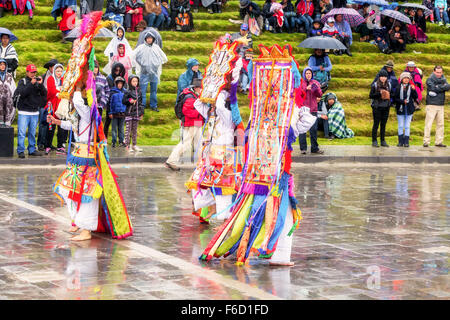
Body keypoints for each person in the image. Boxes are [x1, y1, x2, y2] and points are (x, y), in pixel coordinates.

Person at [48, 86, 133, 241]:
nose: (72, 98)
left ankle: (86, 229)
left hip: (88, 159)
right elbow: (74, 127)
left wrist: (79, 86)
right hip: (77, 158)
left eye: (75, 95)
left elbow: (79, 103)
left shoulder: (88, 112)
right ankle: (77, 221)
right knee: (68, 190)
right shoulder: (80, 115)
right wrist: (58, 122)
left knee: (87, 194)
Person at [165, 78, 204, 170]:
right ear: (196, 88)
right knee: (186, 143)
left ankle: (202, 162)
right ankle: (171, 161)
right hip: (192, 122)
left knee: (199, 143)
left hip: (196, 122)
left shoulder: (193, 95)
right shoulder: (191, 97)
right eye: (201, 88)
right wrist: (202, 112)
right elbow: (187, 112)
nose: (202, 90)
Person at [14, 64, 47, 158]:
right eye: (31, 72)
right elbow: (22, 94)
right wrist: (31, 84)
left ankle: (32, 149)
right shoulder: (22, 81)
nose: (33, 74)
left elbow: (44, 94)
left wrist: (40, 85)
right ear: (27, 72)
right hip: (23, 112)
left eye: (34, 72)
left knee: (32, 133)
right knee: (21, 133)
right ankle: (20, 150)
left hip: (34, 112)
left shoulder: (37, 82)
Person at [134, 31, 168, 112]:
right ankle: (142, 106)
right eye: (148, 38)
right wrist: (143, 64)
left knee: (153, 90)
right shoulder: (141, 47)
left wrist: (156, 65)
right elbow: (136, 56)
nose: (149, 40)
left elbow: (162, 57)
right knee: (143, 90)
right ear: (145, 39)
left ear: (153, 39)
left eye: (151, 38)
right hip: (144, 72)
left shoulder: (156, 47)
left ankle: (154, 105)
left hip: (154, 73)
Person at [296, 67, 323, 154]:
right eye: (307, 73)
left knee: (314, 129)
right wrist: (305, 89)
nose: (308, 75)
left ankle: (314, 148)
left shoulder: (315, 82)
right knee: (302, 129)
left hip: (313, 109)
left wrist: (316, 90)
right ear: (304, 74)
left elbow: (320, 94)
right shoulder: (300, 83)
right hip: (304, 109)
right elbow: (297, 94)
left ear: (312, 74)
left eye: (310, 73)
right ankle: (303, 148)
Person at [423, 66, 450, 147]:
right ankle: (426, 141)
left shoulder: (444, 79)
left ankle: (439, 142)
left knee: (440, 124)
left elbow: (448, 87)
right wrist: (442, 87)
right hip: (431, 104)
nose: (439, 74)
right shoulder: (429, 79)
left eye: (440, 72)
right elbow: (433, 88)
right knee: (429, 124)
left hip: (441, 104)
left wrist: (438, 87)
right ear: (434, 72)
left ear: (442, 72)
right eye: (437, 72)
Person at [44, 64, 67, 155]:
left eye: (61, 71)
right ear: (54, 71)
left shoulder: (63, 79)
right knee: (51, 126)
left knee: (61, 126)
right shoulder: (50, 79)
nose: (59, 73)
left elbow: (66, 90)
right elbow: (52, 91)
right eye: (57, 71)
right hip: (52, 106)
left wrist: (61, 91)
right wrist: (60, 91)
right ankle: (48, 145)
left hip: (61, 106)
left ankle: (60, 146)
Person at [394, 72, 418, 148]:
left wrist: (414, 90)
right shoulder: (398, 87)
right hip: (400, 109)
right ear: (401, 79)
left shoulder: (411, 87)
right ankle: (400, 142)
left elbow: (415, 97)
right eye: (405, 78)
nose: (406, 79)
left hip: (409, 109)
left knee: (407, 126)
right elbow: (395, 99)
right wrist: (402, 101)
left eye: (408, 78)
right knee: (400, 126)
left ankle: (406, 142)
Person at [369, 69, 391, 148]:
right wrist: (379, 94)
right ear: (379, 77)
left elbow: (391, 94)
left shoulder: (389, 85)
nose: (383, 78)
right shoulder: (375, 85)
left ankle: (383, 140)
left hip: (386, 107)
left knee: (383, 124)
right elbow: (370, 96)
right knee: (376, 124)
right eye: (382, 76)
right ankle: (374, 140)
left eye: (385, 77)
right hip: (377, 107)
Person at [122, 75, 145, 152]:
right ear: (130, 82)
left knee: (135, 130)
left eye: (136, 81)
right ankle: (127, 146)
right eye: (133, 81)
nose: (135, 83)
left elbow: (141, 103)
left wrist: (141, 112)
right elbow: (123, 101)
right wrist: (129, 100)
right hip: (129, 113)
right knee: (128, 130)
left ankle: (134, 145)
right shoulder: (127, 91)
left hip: (137, 113)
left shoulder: (139, 91)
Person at [105, 62, 126, 137]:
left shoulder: (122, 79)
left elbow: (125, 91)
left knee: (120, 125)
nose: (117, 72)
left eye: (119, 71)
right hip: (111, 103)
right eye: (116, 70)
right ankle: (104, 138)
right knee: (108, 122)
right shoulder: (109, 78)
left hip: (120, 106)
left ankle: (120, 139)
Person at [109, 76, 127, 148]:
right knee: (114, 128)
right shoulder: (112, 92)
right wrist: (110, 112)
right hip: (114, 113)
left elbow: (126, 102)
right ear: (116, 84)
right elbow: (110, 103)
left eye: (121, 84)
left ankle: (121, 141)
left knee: (121, 128)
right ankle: (113, 141)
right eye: (118, 83)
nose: (120, 85)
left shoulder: (125, 92)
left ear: (123, 84)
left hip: (122, 113)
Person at [0, 59, 15, 127]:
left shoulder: (9, 76)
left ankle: (7, 122)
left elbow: (13, 88)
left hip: (8, 102)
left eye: (4, 64)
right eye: (1, 64)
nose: (3, 66)